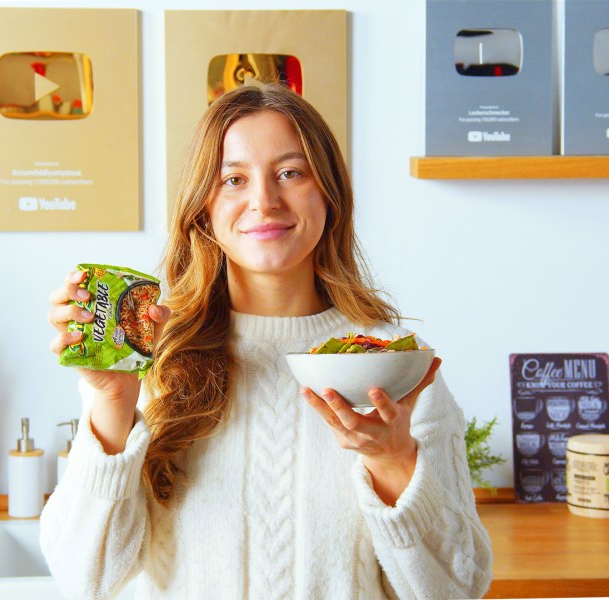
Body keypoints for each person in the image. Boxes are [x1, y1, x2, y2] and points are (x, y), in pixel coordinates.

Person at [41, 83, 493, 599]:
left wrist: (393, 460)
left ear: (329, 194)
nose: (264, 200)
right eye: (234, 179)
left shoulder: (397, 367)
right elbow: (83, 579)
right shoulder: (150, 359)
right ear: (204, 210)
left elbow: (457, 590)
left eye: (290, 173)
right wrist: (112, 401)